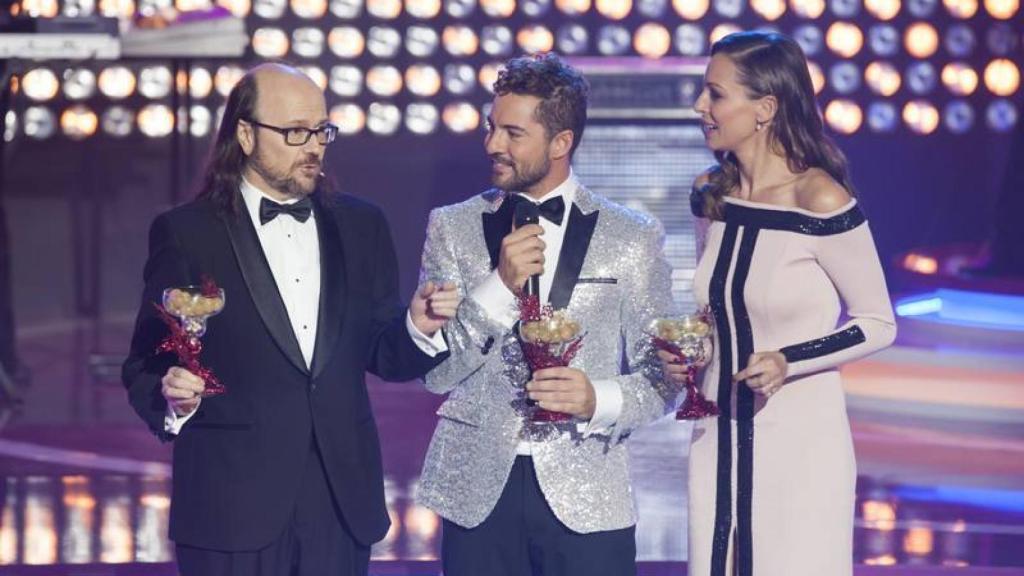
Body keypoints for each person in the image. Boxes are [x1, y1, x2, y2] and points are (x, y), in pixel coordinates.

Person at [121, 63, 458, 576]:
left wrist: (418, 326)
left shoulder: (361, 225)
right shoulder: (187, 233)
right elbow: (147, 361)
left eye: (322, 130)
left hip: (339, 503)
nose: (315, 146)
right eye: (295, 131)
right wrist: (172, 397)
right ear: (246, 133)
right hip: (230, 507)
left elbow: (383, 353)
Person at [415, 53, 678, 576]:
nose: (492, 144)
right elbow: (436, 372)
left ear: (561, 143)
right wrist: (497, 288)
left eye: (513, 133)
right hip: (476, 489)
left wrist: (596, 397)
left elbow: (666, 376)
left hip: (588, 491)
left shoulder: (632, 236)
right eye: (492, 128)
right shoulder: (453, 226)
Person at [660, 31, 898, 576]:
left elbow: (878, 322)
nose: (701, 106)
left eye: (715, 94)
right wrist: (691, 350)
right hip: (715, 433)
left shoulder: (820, 198)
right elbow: (714, 309)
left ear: (765, 107)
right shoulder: (711, 194)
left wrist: (789, 358)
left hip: (800, 440)